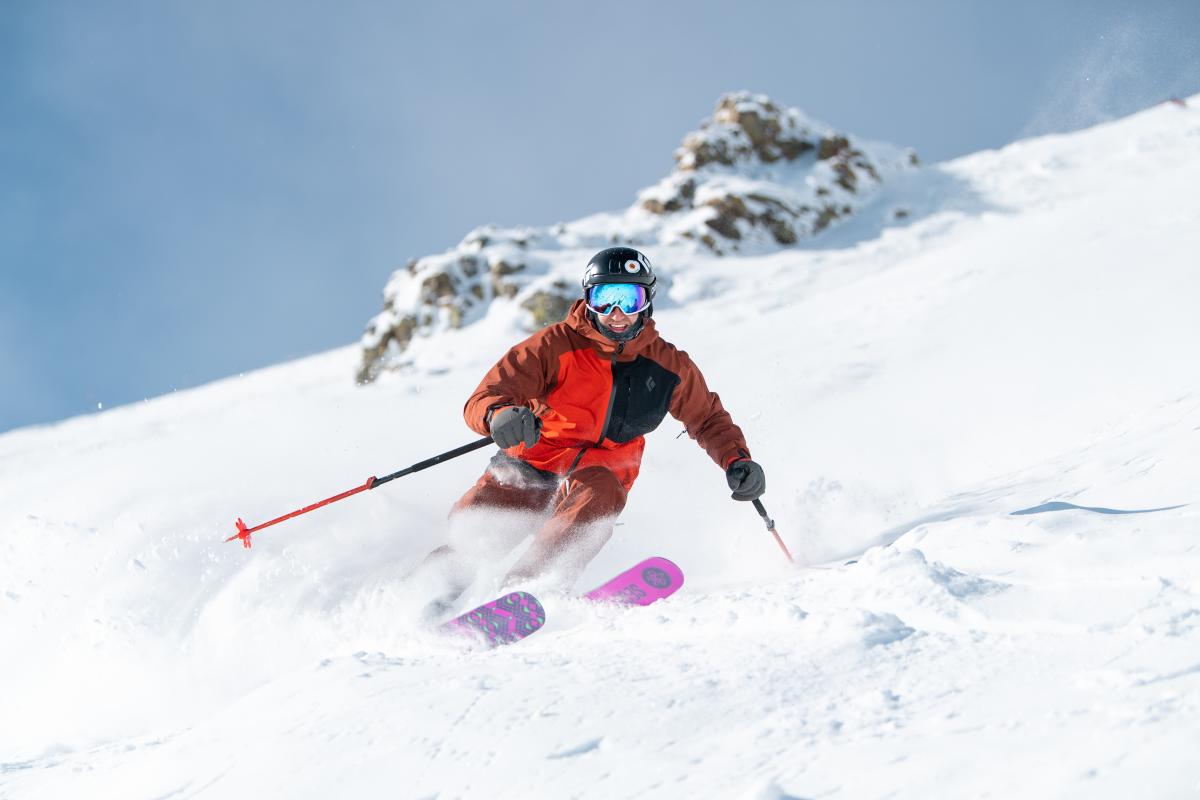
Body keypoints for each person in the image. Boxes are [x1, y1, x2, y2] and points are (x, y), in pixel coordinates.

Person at [413, 246, 765, 617]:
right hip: (531, 461)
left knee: (598, 498)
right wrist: (499, 416)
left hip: (601, 471)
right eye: (604, 298)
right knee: (482, 530)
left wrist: (737, 460)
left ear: (647, 302)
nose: (616, 313)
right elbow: (486, 397)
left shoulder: (668, 365)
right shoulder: (553, 346)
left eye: (629, 298)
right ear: (588, 299)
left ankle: (528, 590)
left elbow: (707, 419)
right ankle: (422, 600)